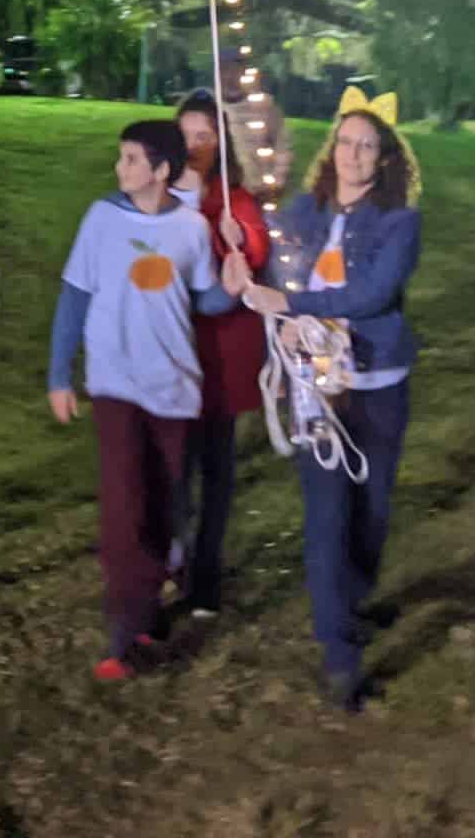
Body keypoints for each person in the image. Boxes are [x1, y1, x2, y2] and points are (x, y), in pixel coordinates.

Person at [222, 85, 422, 710]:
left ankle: (353, 600)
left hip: (378, 384)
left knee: (373, 511)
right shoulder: (305, 212)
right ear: (332, 146)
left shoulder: (400, 223)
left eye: (369, 146)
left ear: (386, 158)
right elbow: (268, 252)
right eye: (347, 141)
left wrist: (293, 303)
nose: (355, 155)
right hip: (318, 389)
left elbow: (371, 295)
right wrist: (239, 242)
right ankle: (340, 657)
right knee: (326, 517)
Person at [48, 117, 240, 679]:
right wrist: (61, 373)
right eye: (121, 158)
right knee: (124, 506)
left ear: (161, 170)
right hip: (115, 382)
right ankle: (124, 636)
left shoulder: (190, 229)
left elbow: (204, 302)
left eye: (131, 159)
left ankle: (151, 593)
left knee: (164, 504)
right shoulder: (101, 219)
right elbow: (74, 296)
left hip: (174, 385)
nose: (119, 168)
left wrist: (230, 286)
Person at [168, 88, 272, 616]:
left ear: (220, 141)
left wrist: (238, 238)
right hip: (169, 353)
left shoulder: (234, 198)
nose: (194, 147)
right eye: (185, 136)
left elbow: (256, 248)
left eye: (204, 137)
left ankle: (204, 574)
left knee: (215, 472)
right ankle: (174, 558)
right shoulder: (158, 194)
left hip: (222, 359)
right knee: (171, 469)